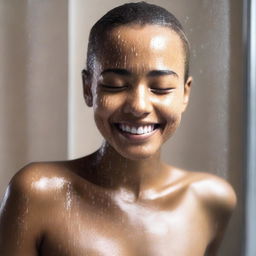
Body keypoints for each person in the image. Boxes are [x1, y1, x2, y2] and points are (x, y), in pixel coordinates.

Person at [0, 2, 236, 255]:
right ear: (89, 89)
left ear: (185, 94)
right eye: (114, 85)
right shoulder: (38, 192)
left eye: (161, 87)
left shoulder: (212, 201)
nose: (138, 106)